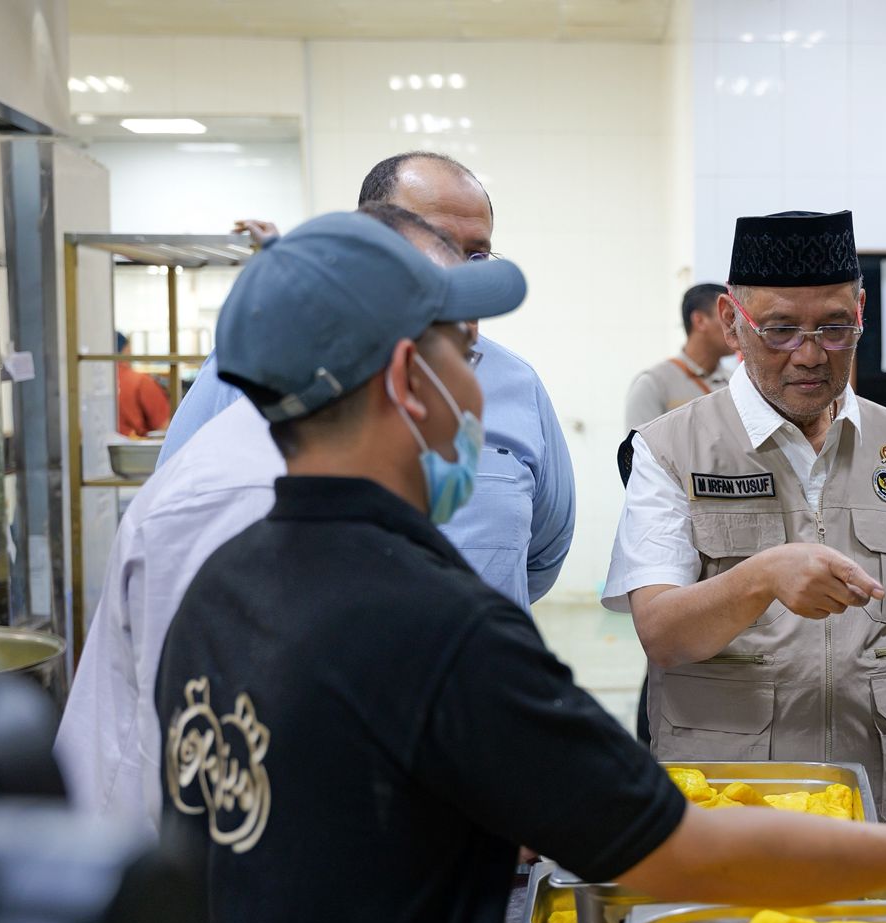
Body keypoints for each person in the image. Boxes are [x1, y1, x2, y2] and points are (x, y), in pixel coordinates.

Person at [152, 210, 886, 923]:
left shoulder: (223, 590)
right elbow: (668, 845)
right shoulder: (436, 626)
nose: (480, 389)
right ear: (410, 381)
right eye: (466, 355)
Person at [55, 206, 476, 834]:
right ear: (396, 360)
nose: (470, 385)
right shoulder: (242, 496)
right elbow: (228, 757)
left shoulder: (321, 465)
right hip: (169, 863)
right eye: (459, 354)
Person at [604, 210, 886, 824]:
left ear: (862, 313)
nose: (811, 355)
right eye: (780, 330)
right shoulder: (669, 449)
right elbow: (662, 633)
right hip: (737, 801)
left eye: (835, 328)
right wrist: (763, 576)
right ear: (731, 323)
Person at [155, 151, 574, 608]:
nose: (457, 271)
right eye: (434, 245)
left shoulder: (517, 384)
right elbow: (177, 527)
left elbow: (540, 557)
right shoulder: (254, 370)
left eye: (476, 254)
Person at [624, 283, 736, 429]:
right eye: (729, 317)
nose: (736, 326)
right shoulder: (652, 385)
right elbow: (639, 443)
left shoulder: (734, 383)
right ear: (699, 320)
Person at [114, 332, 172, 437]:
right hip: (135, 445)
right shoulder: (140, 381)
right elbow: (165, 427)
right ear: (126, 349)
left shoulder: (91, 385)